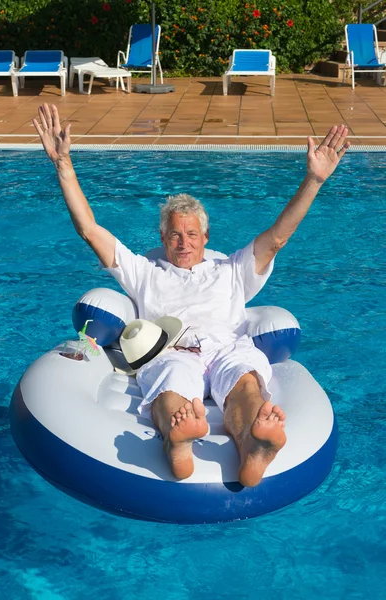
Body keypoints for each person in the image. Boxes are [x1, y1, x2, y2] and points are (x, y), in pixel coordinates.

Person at [33, 104, 350, 487]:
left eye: (192, 234)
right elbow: (90, 230)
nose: (184, 242)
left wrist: (313, 181)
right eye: (175, 235)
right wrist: (63, 164)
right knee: (169, 382)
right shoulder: (144, 271)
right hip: (172, 351)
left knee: (244, 382)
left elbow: (278, 237)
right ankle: (178, 443)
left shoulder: (232, 269)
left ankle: (254, 444)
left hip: (227, 348)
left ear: (206, 238)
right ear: (162, 239)